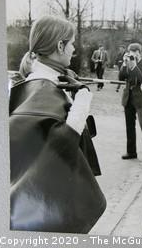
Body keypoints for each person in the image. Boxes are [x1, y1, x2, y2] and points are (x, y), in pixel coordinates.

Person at [9, 15, 106, 233]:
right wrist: (82, 98)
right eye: (71, 43)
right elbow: (62, 142)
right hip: (47, 195)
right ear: (60, 46)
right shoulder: (44, 85)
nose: (74, 50)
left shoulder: (41, 83)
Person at [119, 43, 142, 159]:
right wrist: (124, 65)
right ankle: (131, 152)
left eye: (133, 52)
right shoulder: (127, 62)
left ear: (138, 52)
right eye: (129, 52)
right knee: (129, 126)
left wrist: (133, 66)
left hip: (141, 99)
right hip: (128, 98)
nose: (131, 55)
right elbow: (121, 77)